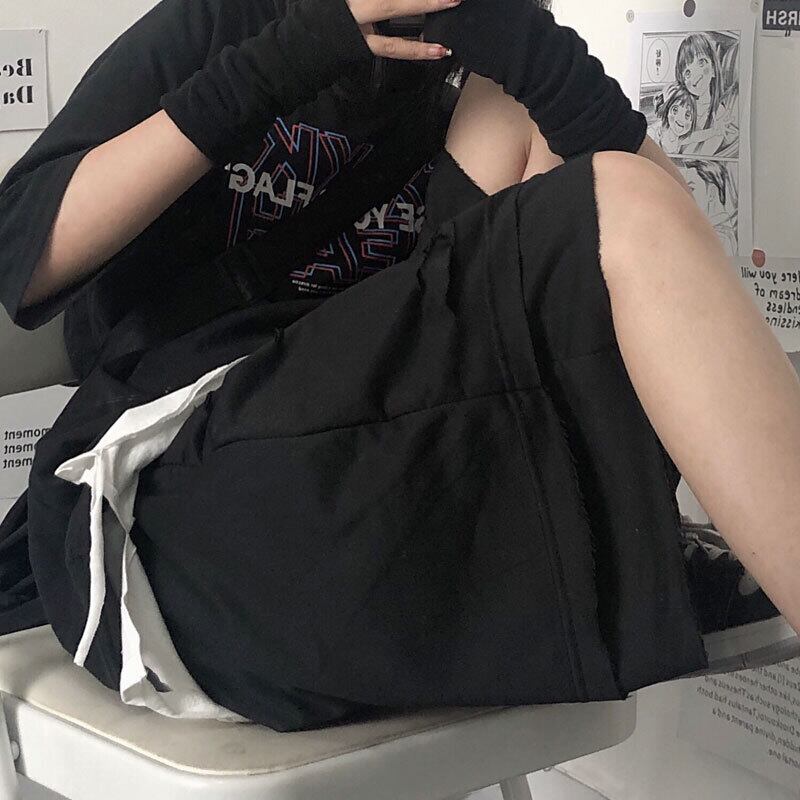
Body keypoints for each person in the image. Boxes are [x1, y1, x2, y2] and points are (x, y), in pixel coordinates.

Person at [1, 0, 799, 732]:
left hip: (381, 487)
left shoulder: (477, 78)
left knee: (572, 162)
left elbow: (672, 265)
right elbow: (23, 262)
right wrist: (297, 49)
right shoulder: (225, 20)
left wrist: (532, 47)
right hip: (180, 503)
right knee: (617, 202)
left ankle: (616, 543)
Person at [675, 32, 735, 157]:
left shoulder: (719, 112)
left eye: (701, 62)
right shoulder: (683, 107)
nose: (695, 75)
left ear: (713, 69)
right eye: (687, 72)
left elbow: (705, 153)